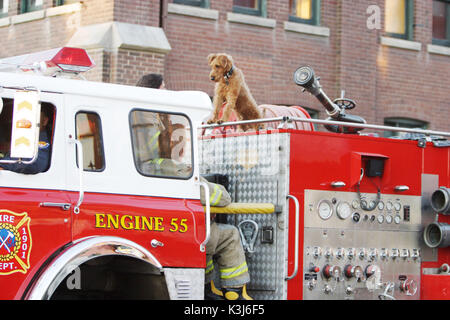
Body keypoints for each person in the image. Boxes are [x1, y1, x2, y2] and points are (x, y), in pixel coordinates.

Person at [136, 74, 252, 300]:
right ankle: (234, 296)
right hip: (174, 228)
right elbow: (220, 198)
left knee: (205, 233)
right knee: (227, 236)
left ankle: (207, 290)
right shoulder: (158, 135)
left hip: (158, 224)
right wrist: (209, 186)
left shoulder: (138, 119)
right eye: (165, 88)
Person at [0, 108, 51, 174]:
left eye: (31, 117)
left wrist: (4, 166)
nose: (25, 121)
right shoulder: (23, 139)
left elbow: (34, 164)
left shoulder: (42, 142)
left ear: (44, 121)